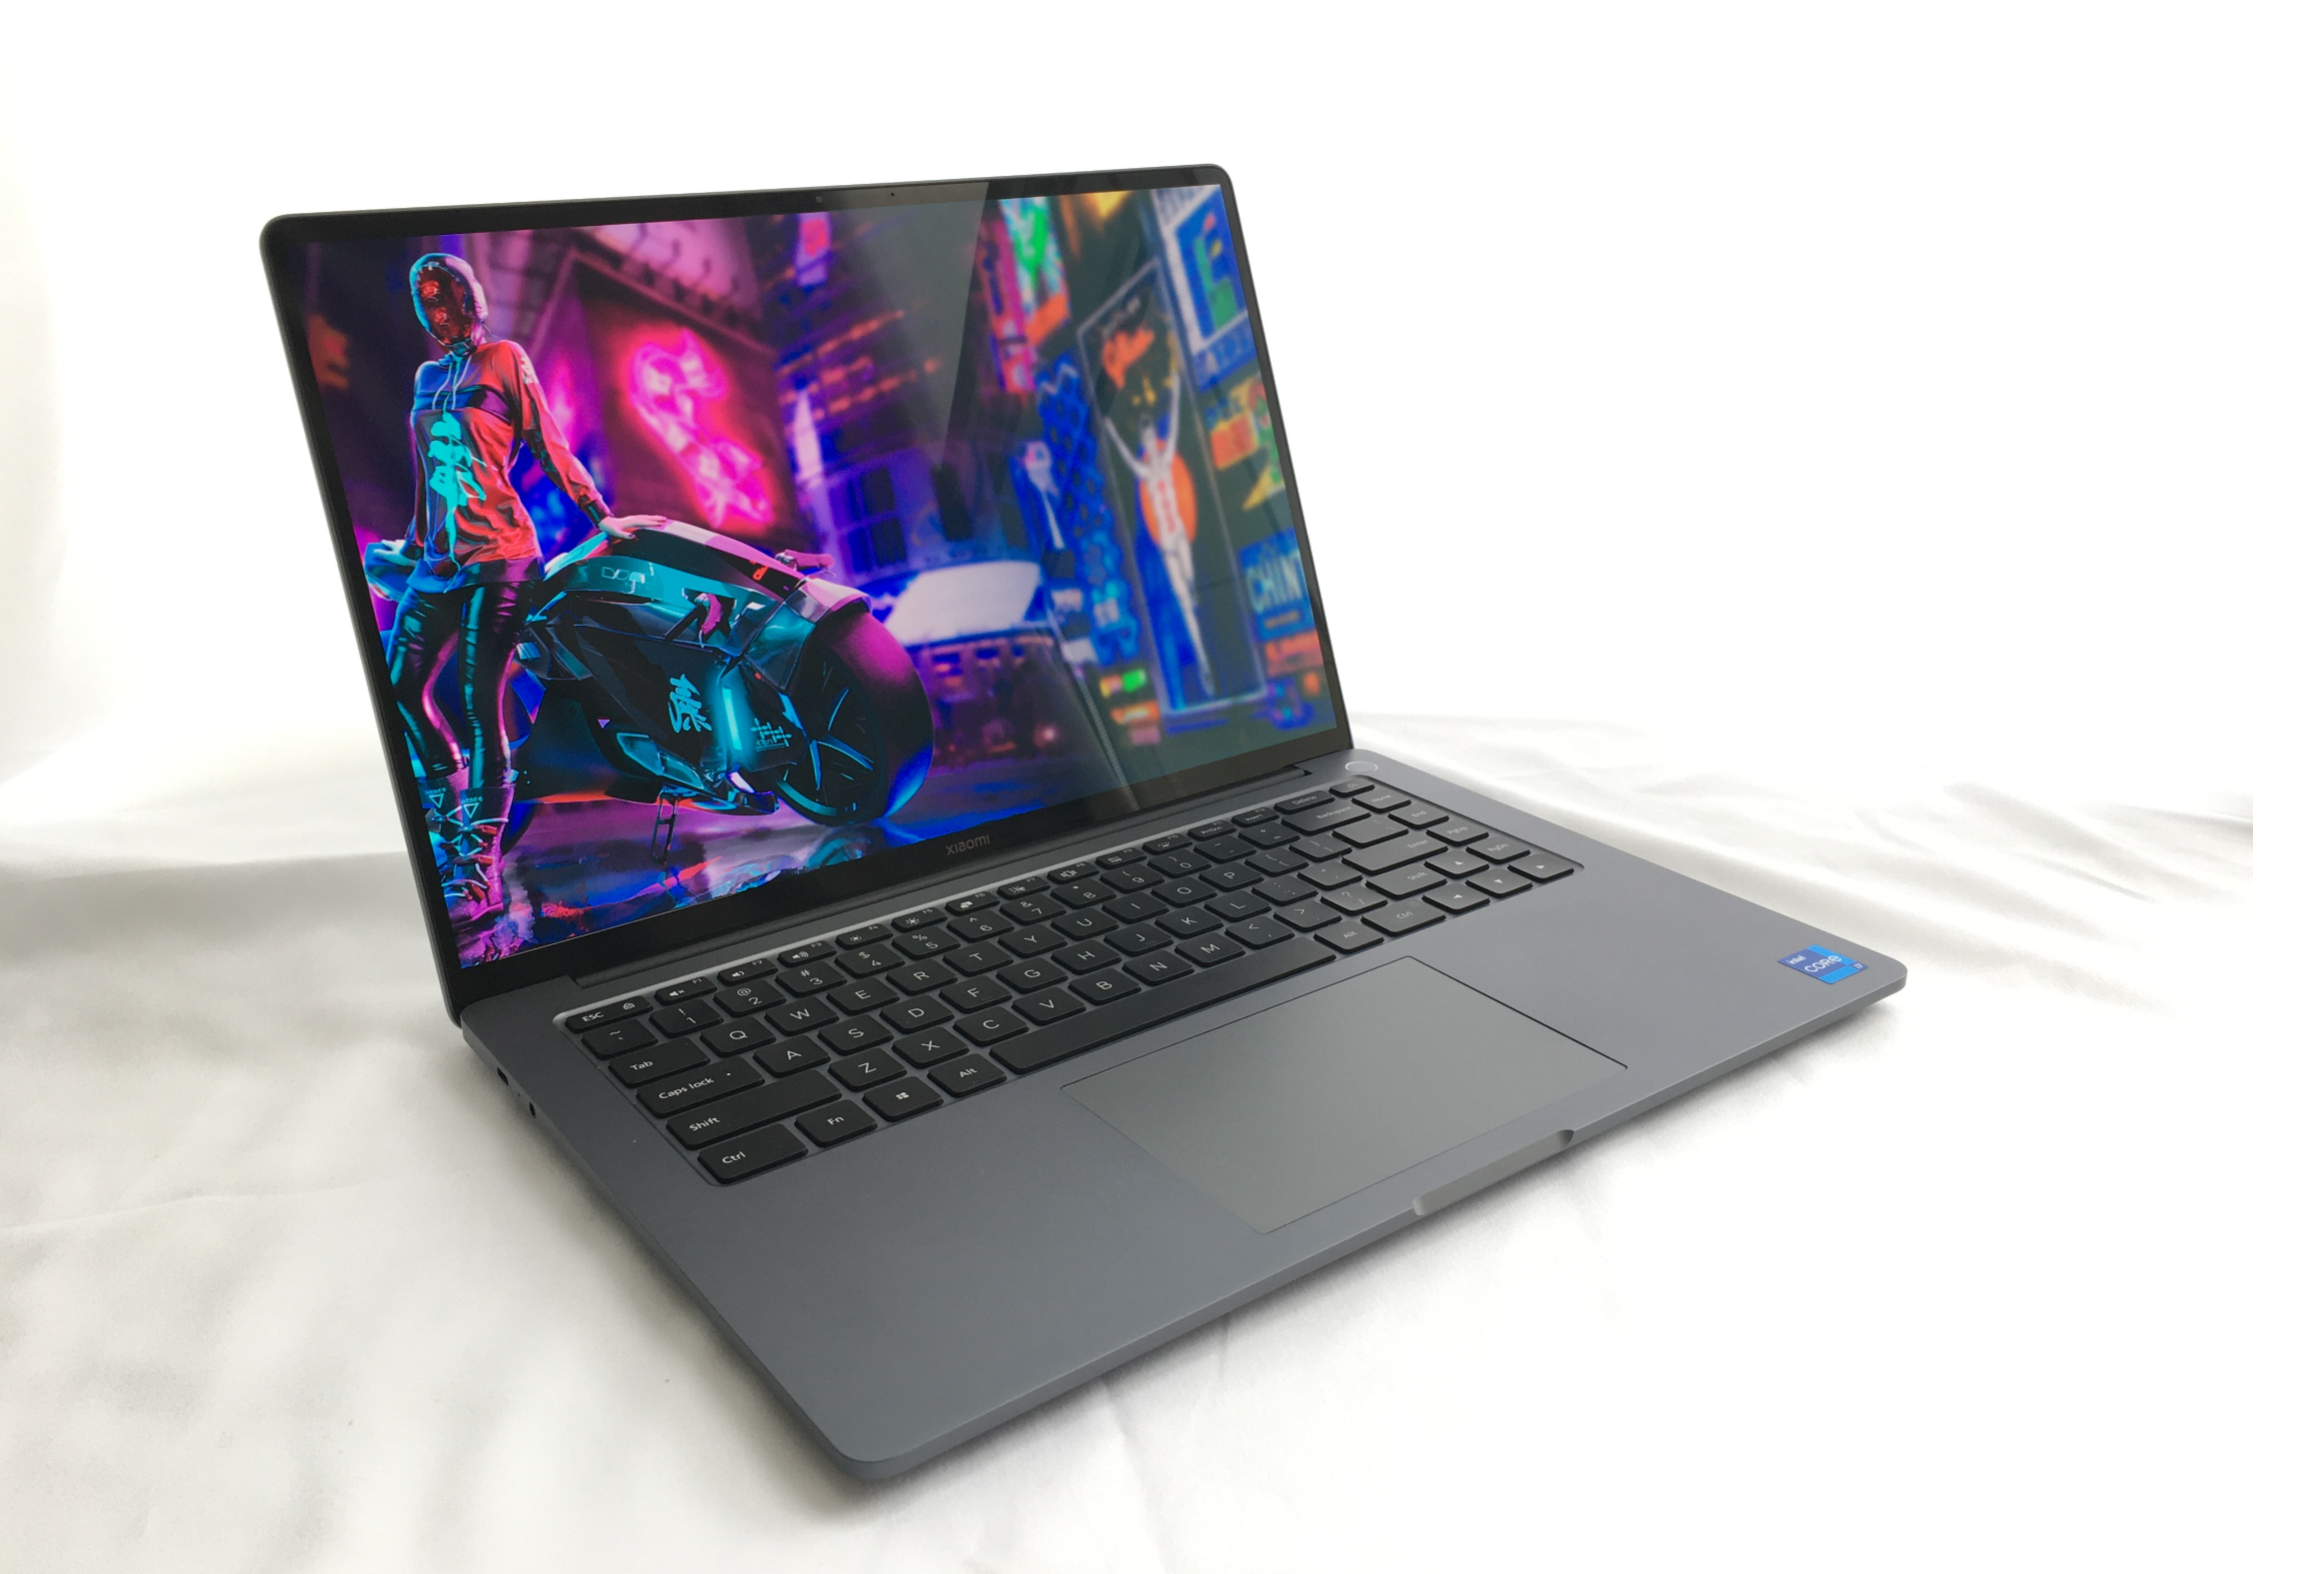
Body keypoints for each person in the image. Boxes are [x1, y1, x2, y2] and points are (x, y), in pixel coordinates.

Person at [381, 253, 665, 926]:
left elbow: (548, 441)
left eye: (450, 293)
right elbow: (427, 475)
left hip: (502, 556)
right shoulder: (425, 377)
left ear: (474, 298)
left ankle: (478, 867)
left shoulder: (505, 359)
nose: (440, 307)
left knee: (480, 701)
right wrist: (414, 545)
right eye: (427, 298)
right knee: (400, 688)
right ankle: (451, 824)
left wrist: (599, 514)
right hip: (439, 564)